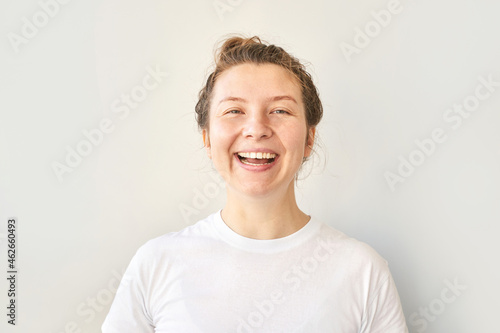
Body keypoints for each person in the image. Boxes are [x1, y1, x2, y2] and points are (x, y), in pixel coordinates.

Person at [102, 35, 409, 332]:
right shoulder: (156, 262)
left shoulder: (362, 270)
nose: (256, 129)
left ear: (309, 139)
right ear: (208, 139)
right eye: (234, 110)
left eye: (280, 111)